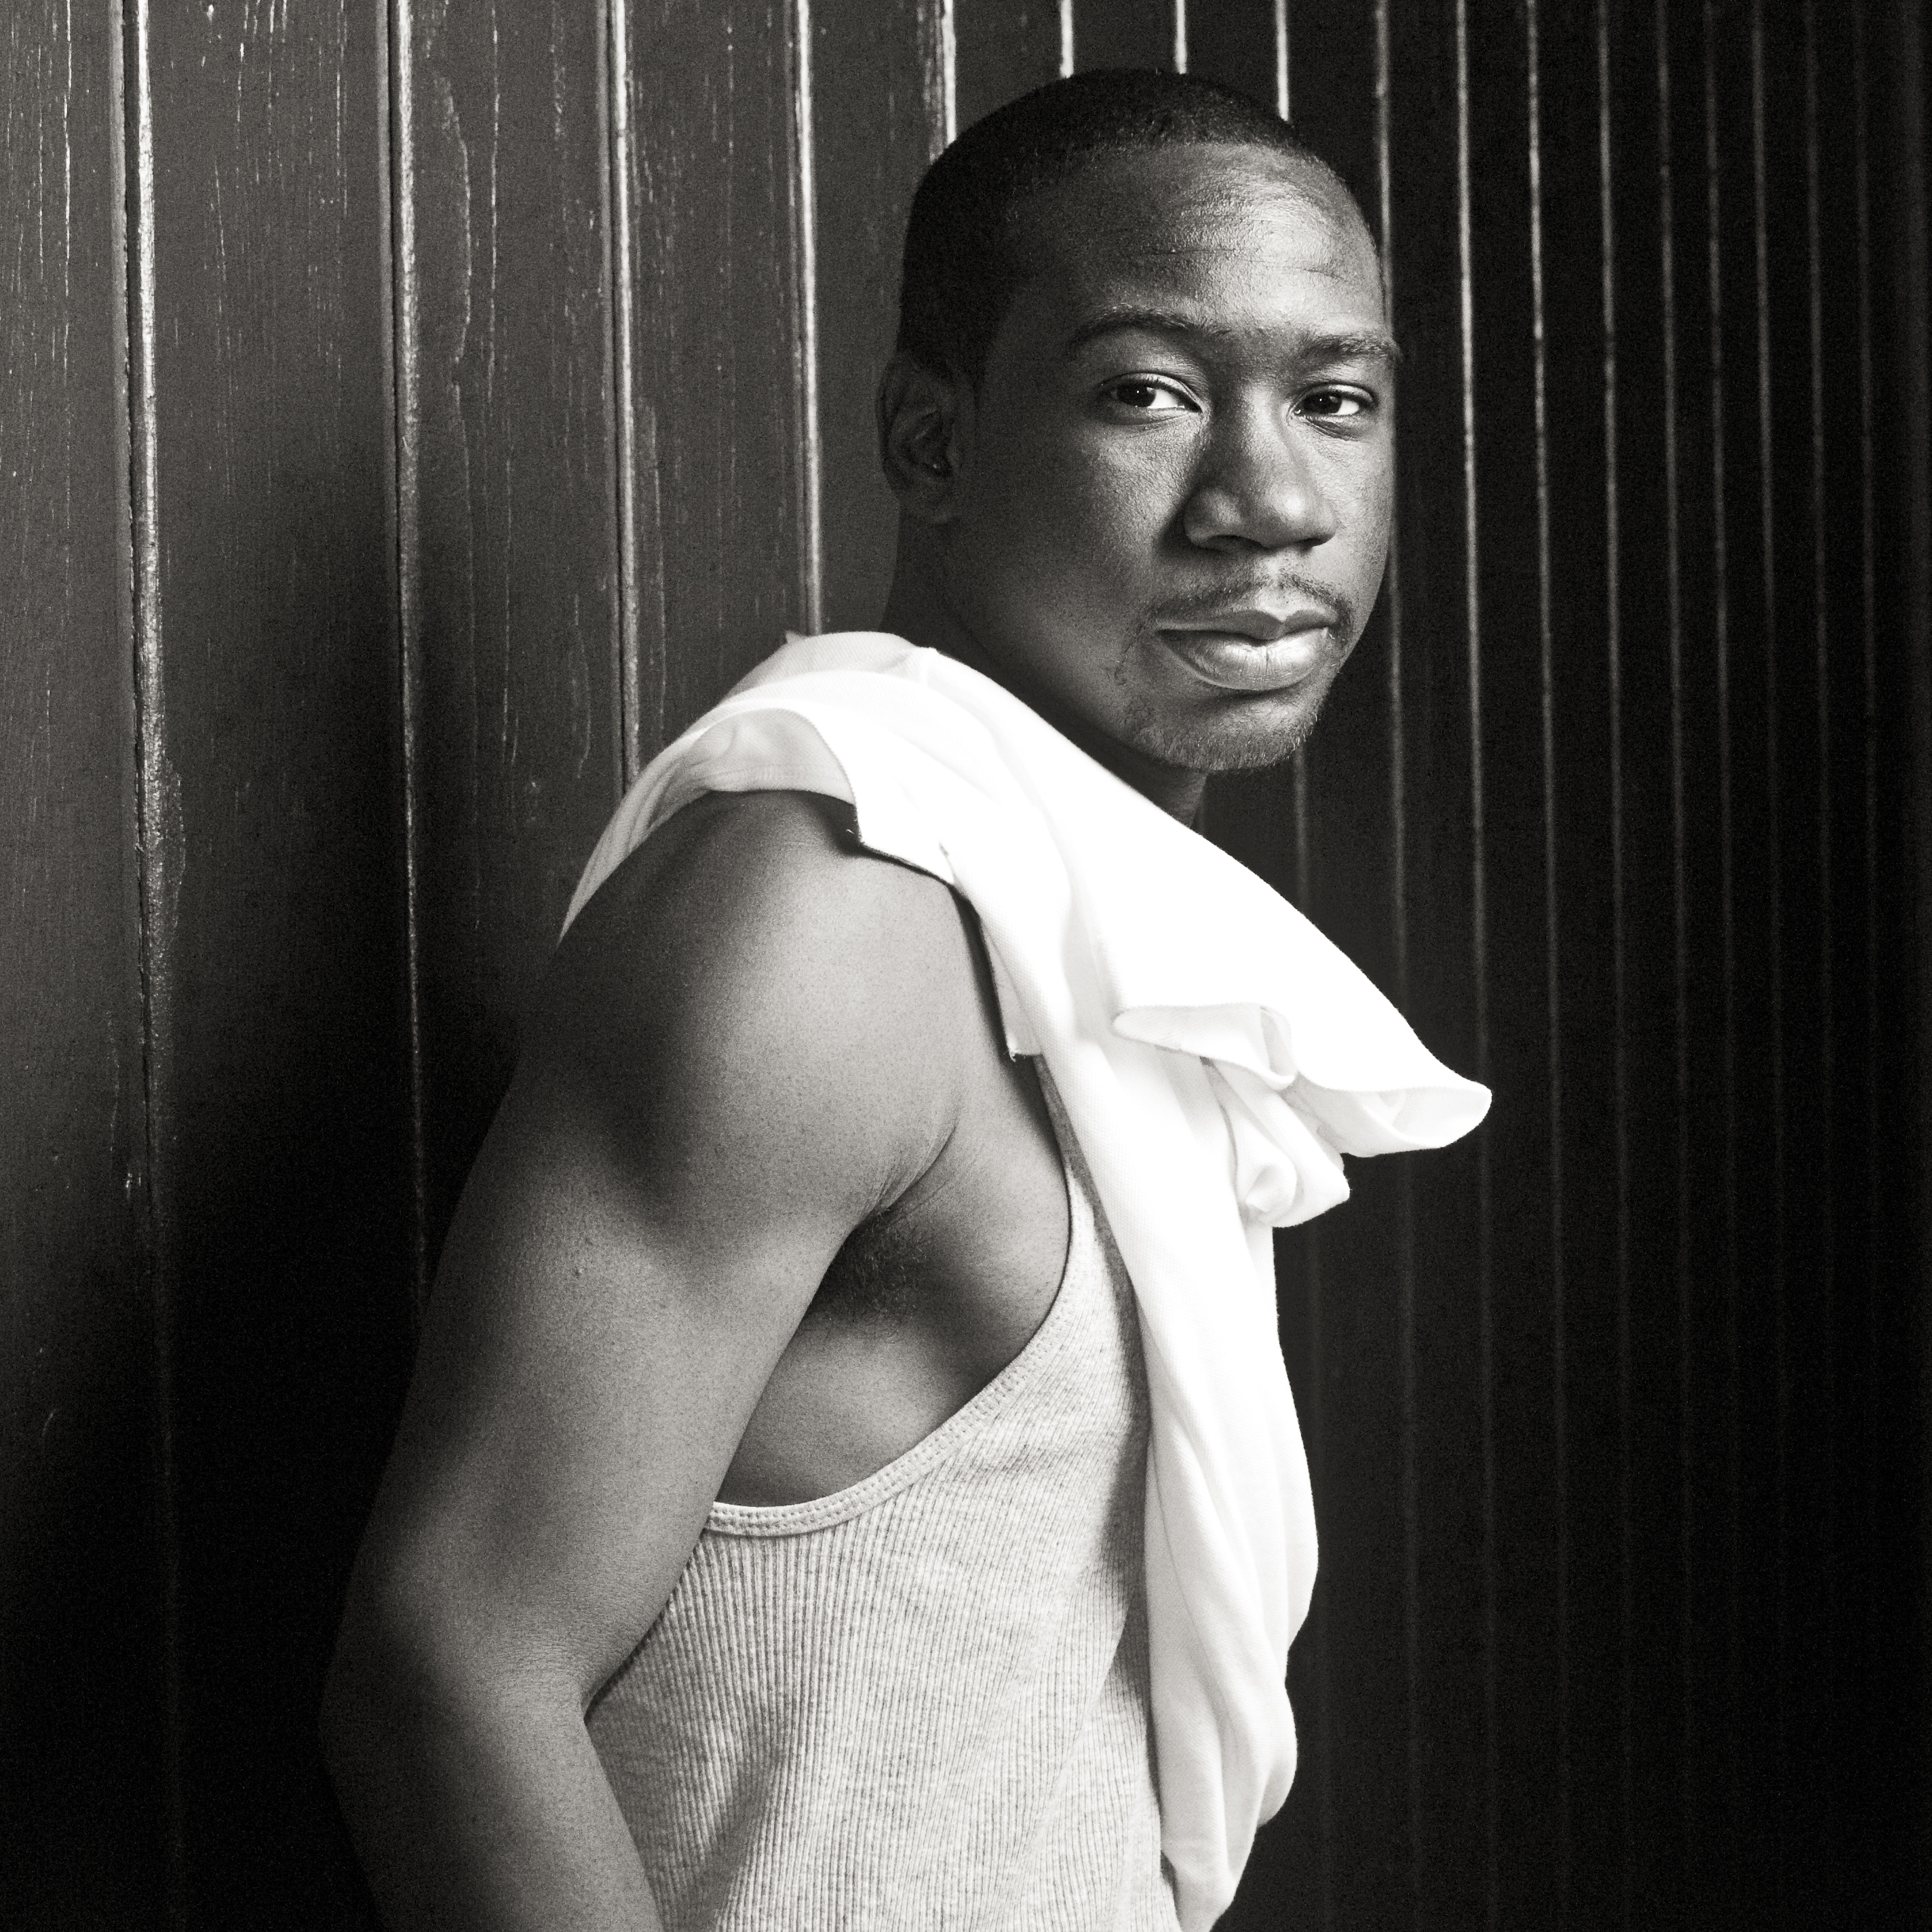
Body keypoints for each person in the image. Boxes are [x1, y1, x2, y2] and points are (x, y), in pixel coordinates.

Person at [321, 69, 1486, 1932]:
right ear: (931, 444)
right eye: (1149, 393)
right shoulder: (827, 918)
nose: (1272, 500)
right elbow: (453, 1667)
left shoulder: (1087, 932)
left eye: (1335, 401)